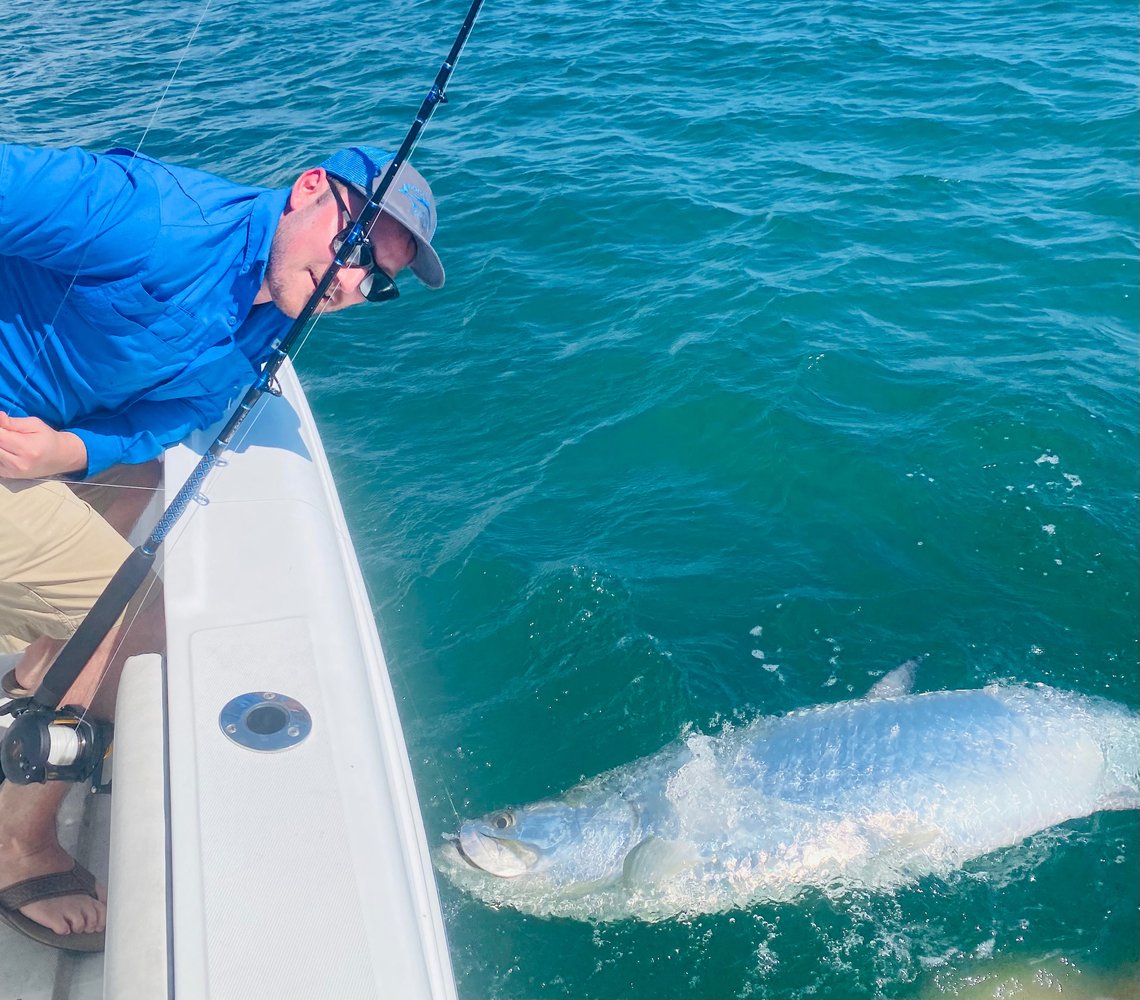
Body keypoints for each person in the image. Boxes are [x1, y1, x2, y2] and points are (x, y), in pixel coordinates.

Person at [0, 142, 445, 951]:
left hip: (31, 433)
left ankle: (39, 667)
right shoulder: (151, 217)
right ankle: (15, 846)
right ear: (310, 189)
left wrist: (69, 454)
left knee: (137, 474)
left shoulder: (274, 318)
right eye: (352, 249)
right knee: (142, 624)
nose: (351, 284)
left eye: (373, 282)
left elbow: (171, 418)